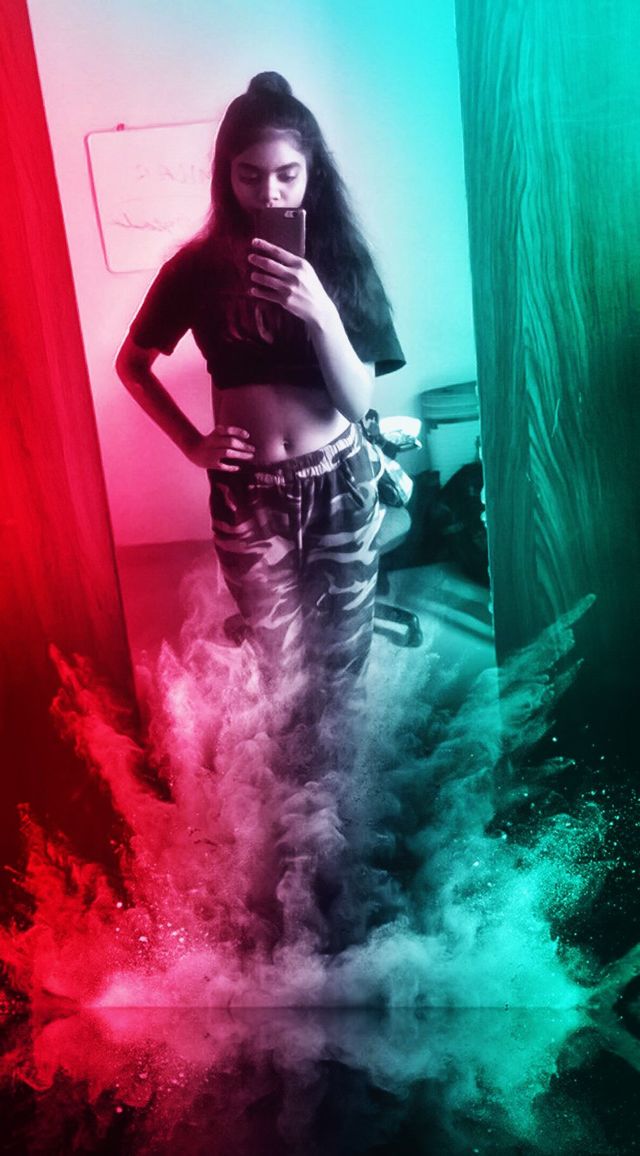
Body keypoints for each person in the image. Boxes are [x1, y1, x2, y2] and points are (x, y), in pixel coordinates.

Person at [116, 71, 405, 742]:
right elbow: (132, 366)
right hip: (247, 492)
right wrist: (192, 444)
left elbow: (357, 402)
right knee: (276, 668)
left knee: (342, 665)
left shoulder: (343, 265)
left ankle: (341, 781)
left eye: (286, 175)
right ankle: (292, 781)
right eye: (249, 176)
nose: (268, 193)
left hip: (339, 484)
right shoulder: (195, 270)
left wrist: (319, 311)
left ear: (312, 173)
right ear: (227, 175)